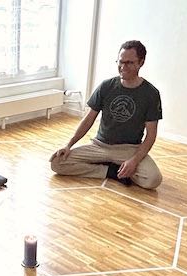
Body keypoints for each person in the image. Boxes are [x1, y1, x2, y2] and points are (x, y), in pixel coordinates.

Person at [49, 40, 163, 189]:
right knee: (57, 163)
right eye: (120, 62)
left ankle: (123, 166)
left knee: (153, 180)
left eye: (129, 63)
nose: (123, 67)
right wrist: (69, 145)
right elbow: (88, 120)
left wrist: (134, 161)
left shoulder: (151, 94)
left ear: (141, 63)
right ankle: (111, 171)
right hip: (99, 146)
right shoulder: (106, 86)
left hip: (128, 149)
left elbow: (151, 135)